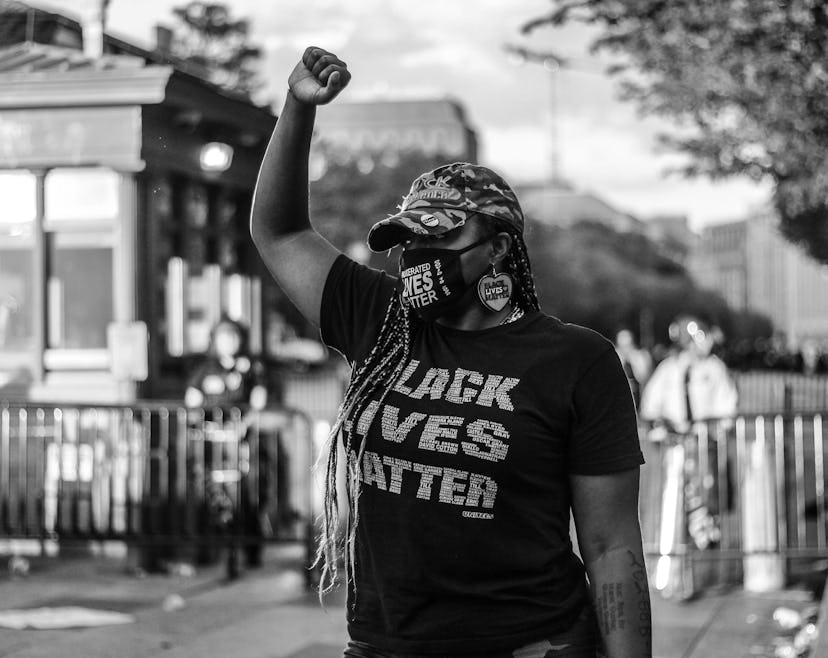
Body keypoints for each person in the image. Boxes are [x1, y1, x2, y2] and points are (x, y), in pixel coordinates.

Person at [250, 46, 651, 658]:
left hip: (533, 645)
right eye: (408, 238)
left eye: (440, 237)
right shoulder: (381, 321)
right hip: (386, 646)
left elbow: (610, 546)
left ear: (496, 249)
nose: (418, 255)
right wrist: (297, 108)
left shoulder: (577, 360)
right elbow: (278, 232)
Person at [639, 315, 738, 599]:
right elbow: (650, 405)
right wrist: (663, 426)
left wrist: (709, 430)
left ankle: (706, 575)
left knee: (706, 511)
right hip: (674, 451)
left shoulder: (714, 369)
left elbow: (727, 407)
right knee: (672, 510)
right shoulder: (669, 370)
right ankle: (671, 577)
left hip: (704, 448)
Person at [185, 316, 270, 568]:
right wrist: (200, 426)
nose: (229, 342)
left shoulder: (251, 369)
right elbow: (191, 401)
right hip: (212, 446)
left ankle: (250, 551)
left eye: (234, 336)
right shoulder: (205, 370)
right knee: (209, 494)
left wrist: (244, 425)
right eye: (224, 336)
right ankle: (206, 550)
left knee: (247, 495)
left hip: (241, 445)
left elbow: (259, 402)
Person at [614, 328, 652, 408]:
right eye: (622, 346)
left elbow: (645, 378)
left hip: (641, 403)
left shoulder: (641, 357)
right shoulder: (614, 359)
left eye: (628, 346)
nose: (625, 350)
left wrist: (633, 360)